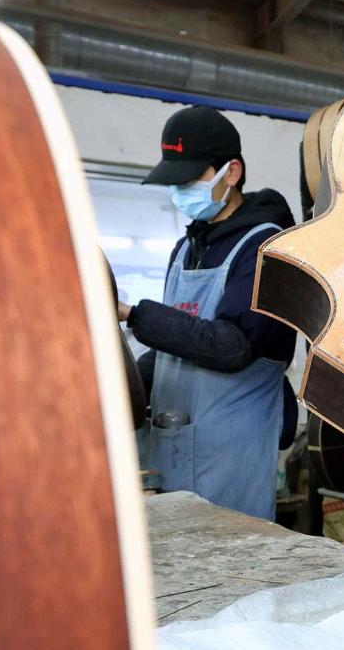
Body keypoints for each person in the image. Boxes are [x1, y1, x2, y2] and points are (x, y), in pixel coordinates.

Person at [125, 106, 297, 517]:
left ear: (231, 172)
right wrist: (121, 388)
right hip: (172, 448)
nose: (180, 190)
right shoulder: (186, 249)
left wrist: (133, 313)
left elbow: (231, 346)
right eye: (175, 181)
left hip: (229, 456)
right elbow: (174, 347)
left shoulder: (266, 248)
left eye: (190, 179)